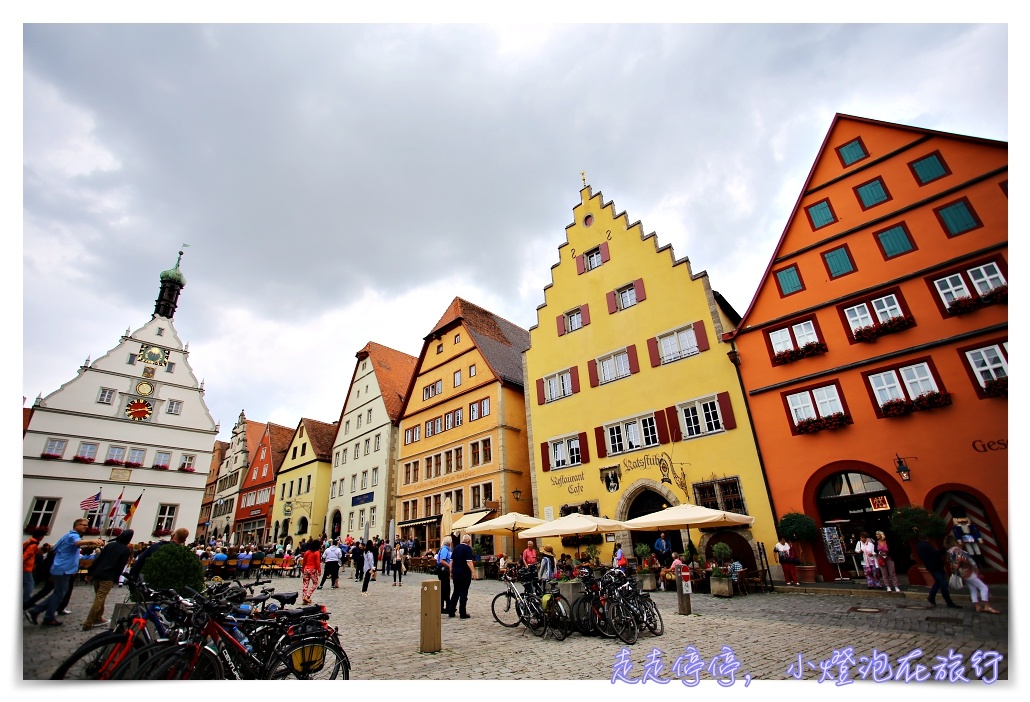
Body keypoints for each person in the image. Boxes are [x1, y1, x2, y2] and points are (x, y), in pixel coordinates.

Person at [26, 518, 105, 627]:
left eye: (87, 526)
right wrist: (91, 540)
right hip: (63, 569)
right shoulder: (72, 535)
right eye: (84, 525)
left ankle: (39, 612)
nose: (86, 527)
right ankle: (43, 615)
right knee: (59, 594)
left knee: (59, 593)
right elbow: (77, 542)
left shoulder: (67, 536)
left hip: (61, 569)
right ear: (76, 525)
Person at [82, 529, 134, 630]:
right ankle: (88, 622)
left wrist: (90, 572)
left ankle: (98, 617)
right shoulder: (125, 549)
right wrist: (115, 579)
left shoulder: (110, 545)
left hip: (98, 574)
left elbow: (98, 559)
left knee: (100, 597)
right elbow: (120, 566)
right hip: (108, 576)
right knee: (99, 598)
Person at [945, 534, 997, 614]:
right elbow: (961, 559)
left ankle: (977, 606)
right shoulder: (956, 550)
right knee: (984, 588)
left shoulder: (948, 552)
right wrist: (969, 563)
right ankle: (987, 606)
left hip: (961, 573)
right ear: (954, 542)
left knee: (973, 589)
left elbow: (952, 563)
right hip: (967, 571)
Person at [915, 534, 960, 609]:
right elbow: (936, 554)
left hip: (930, 566)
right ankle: (948, 602)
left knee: (938, 582)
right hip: (935, 566)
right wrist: (944, 548)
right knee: (943, 584)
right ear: (927, 538)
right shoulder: (926, 545)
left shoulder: (919, 546)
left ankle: (931, 596)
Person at [447, 533, 476, 618]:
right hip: (464, 573)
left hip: (456, 572)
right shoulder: (467, 548)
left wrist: (451, 571)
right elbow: (469, 561)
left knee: (456, 592)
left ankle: (451, 611)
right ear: (469, 541)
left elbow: (451, 560)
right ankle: (462, 613)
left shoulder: (456, 547)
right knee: (463, 592)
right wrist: (473, 572)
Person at [22, 528, 47, 608]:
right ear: (40, 536)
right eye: (43, 536)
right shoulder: (34, 545)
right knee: (30, 584)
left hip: (25, 567)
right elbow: (26, 555)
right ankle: (26, 601)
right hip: (26, 567)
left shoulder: (28, 541)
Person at [301, 539, 321, 605]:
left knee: (305, 584)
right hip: (313, 569)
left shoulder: (307, 552)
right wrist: (319, 571)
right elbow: (317, 562)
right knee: (315, 583)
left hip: (306, 569)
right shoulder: (317, 552)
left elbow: (304, 561)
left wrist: (302, 568)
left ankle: (304, 598)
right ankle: (307, 596)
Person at [437, 536, 453, 612]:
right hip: (443, 571)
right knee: (445, 589)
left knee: (445, 589)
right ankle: (444, 607)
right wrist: (450, 566)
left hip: (443, 571)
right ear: (449, 542)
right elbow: (442, 561)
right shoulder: (445, 549)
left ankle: (447, 606)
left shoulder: (445, 549)